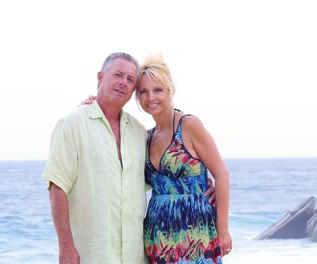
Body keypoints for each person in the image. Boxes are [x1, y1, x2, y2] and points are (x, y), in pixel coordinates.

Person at [42, 52, 149, 264]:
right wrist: (66, 247)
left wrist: (200, 184)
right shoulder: (71, 124)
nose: (123, 83)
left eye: (130, 80)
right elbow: (57, 187)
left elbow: (160, 175)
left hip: (136, 257)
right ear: (100, 77)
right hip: (91, 255)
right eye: (117, 75)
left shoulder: (139, 132)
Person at [136, 54, 232, 264]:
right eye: (143, 92)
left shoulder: (189, 126)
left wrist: (223, 229)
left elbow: (222, 174)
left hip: (196, 232)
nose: (151, 97)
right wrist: (91, 104)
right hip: (158, 234)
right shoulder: (145, 136)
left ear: (170, 90)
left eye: (157, 90)